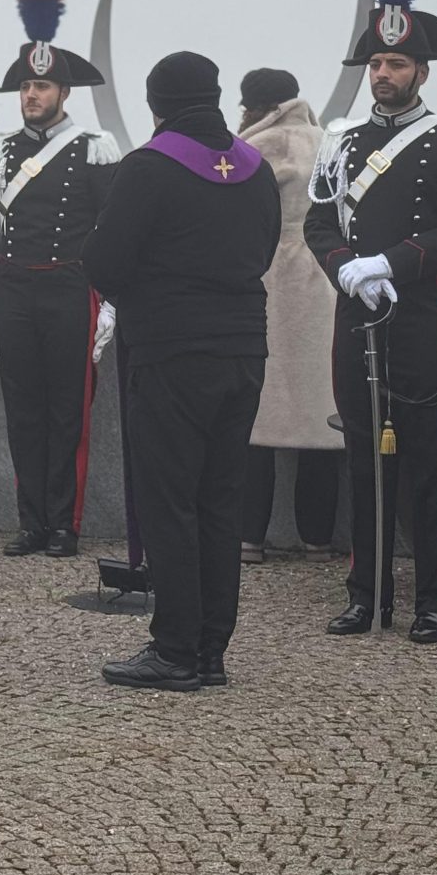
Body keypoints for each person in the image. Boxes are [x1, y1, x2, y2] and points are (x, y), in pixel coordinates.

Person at [305, 0, 437, 646]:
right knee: (359, 453)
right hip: (358, 311)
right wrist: (347, 268)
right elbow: (318, 222)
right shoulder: (338, 141)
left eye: (397, 65)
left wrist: (393, 263)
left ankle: (434, 600)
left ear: (421, 71)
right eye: (377, 66)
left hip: (421, 317)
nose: (384, 75)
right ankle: (364, 590)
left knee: (427, 463)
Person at [85, 53, 281, 692]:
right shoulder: (254, 170)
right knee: (219, 501)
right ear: (217, 97)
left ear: (156, 104)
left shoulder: (149, 168)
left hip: (170, 352)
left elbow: (105, 262)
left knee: (169, 502)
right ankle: (211, 651)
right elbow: (266, 245)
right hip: (244, 349)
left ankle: (173, 650)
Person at [0, 0, 120, 560]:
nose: (31, 96)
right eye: (26, 88)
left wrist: (110, 301)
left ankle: (65, 523)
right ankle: (31, 521)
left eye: (42, 87)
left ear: (64, 93)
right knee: (23, 412)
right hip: (14, 293)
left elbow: (113, 231)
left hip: (70, 292)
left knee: (69, 414)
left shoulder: (93, 150)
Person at [236, 68, 342, 562]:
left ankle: (249, 535)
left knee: (258, 417)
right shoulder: (328, 141)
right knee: (321, 418)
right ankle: (317, 536)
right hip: (324, 283)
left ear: (255, 106)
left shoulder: (255, 148)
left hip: (270, 282)